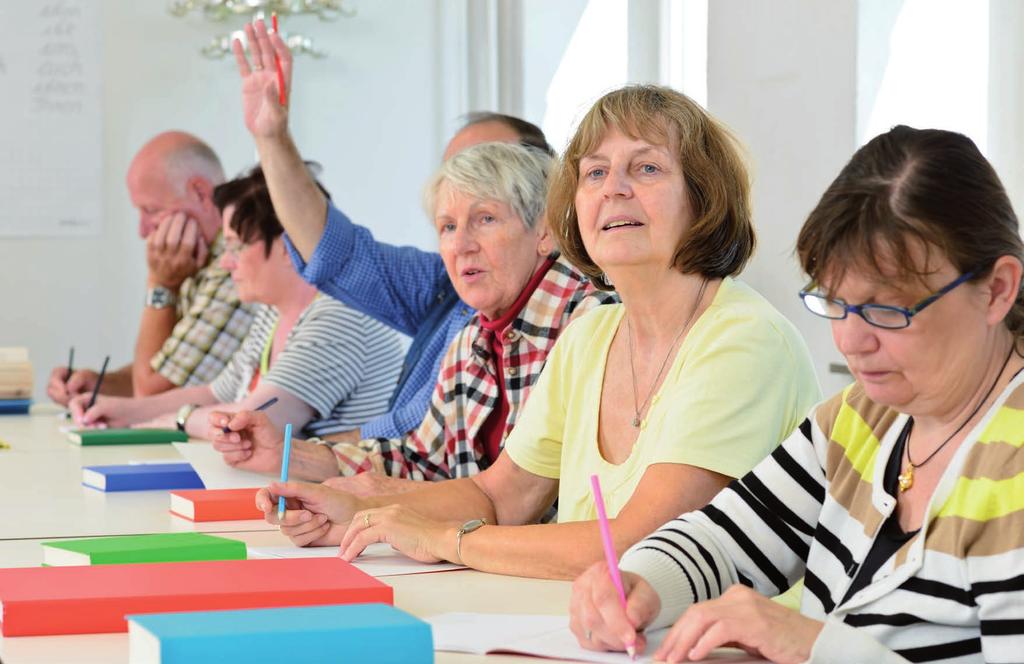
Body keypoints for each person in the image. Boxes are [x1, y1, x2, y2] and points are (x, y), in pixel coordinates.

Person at [254, 85, 820, 580]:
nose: (613, 189)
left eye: (646, 168)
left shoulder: (742, 338)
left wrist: (448, 539)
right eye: (595, 172)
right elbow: (500, 495)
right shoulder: (591, 334)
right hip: (584, 631)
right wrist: (357, 515)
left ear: (705, 199)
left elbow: (643, 547)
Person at [569, 125, 1024, 663]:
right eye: (835, 303)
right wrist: (640, 584)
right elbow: (725, 539)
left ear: (997, 290)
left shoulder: (1009, 466)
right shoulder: (863, 418)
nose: (852, 341)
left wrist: (815, 646)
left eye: (887, 309)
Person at [221, 20, 554, 458]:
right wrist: (271, 137)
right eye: (449, 213)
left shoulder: (570, 313)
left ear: (545, 203)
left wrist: (300, 458)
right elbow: (336, 255)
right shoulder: (447, 285)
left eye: (489, 183)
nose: (461, 236)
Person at [213, 139, 615, 491]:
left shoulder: (592, 324)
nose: (461, 245)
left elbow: (513, 502)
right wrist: (287, 455)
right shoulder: (473, 335)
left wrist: (385, 513)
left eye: (485, 219)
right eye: (447, 227)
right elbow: (420, 462)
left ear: (544, 232)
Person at [69, 166, 405, 440]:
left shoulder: (338, 316)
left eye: (236, 246)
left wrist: (179, 419)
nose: (226, 262)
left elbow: (253, 423)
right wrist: (121, 410)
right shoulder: (273, 312)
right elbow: (218, 394)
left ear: (290, 244)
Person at [47, 131, 254, 403]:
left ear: (201, 193)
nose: (143, 230)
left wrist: (161, 284)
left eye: (152, 210)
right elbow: (173, 368)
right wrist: (98, 384)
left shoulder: (235, 266)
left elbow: (153, 396)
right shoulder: (199, 259)